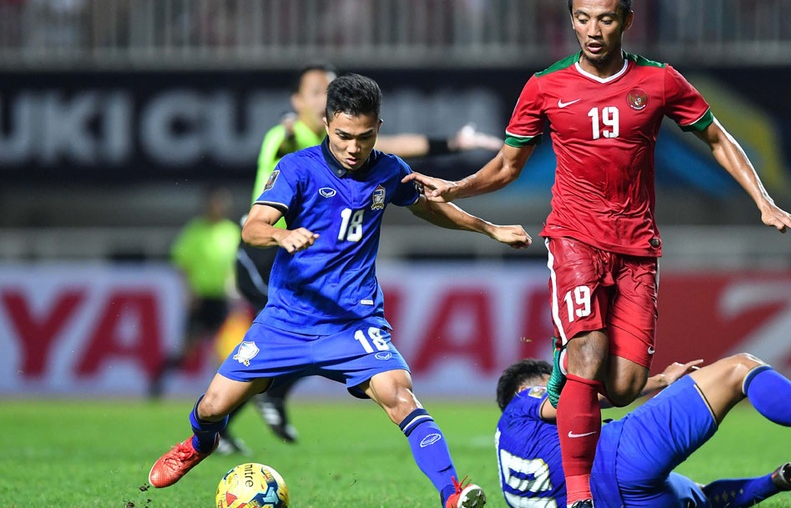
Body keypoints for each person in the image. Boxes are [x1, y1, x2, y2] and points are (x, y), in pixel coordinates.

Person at [403, 0, 791, 504]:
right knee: (588, 349)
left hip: (637, 248)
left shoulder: (660, 81)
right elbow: (506, 166)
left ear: (627, 21)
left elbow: (715, 137)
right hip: (573, 237)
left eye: (605, 18)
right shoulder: (544, 86)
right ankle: (579, 496)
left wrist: (764, 200)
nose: (592, 30)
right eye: (581, 18)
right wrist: (457, 187)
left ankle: (562, 375)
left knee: (619, 386)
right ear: (570, 19)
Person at [148, 73, 531, 508]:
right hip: (287, 321)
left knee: (400, 395)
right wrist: (281, 236)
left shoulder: (388, 170)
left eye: (364, 137)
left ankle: (452, 494)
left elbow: (432, 208)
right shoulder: (296, 167)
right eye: (344, 135)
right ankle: (199, 444)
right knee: (213, 407)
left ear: (378, 128)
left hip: (353, 323)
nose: (353, 147)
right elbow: (253, 227)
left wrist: (490, 229)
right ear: (327, 123)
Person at [234, 62, 504, 446]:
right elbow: (285, 140)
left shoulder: (352, 142)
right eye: (315, 92)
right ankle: (260, 399)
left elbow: (391, 147)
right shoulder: (288, 138)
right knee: (301, 327)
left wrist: (453, 144)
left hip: (305, 254)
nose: (322, 97)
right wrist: (288, 124)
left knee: (312, 329)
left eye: (327, 90)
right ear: (301, 104)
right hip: (266, 252)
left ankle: (252, 403)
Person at [495, 355, 791, 507]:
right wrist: (659, 381)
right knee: (739, 370)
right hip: (620, 459)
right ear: (529, 386)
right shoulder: (524, 400)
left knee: (703, 500)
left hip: (608, 502)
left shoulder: (508, 469)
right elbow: (565, 401)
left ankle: (776, 482)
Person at [149, 186, 240, 401]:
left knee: (224, 350)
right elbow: (183, 265)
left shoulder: (232, 232)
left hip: (222, 298)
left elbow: (235, 266)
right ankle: (157, 382)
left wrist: (234, 288)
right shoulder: (195, 231)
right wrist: (189, 293)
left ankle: (219, 396)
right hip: (201, 298)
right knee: (187, 350)